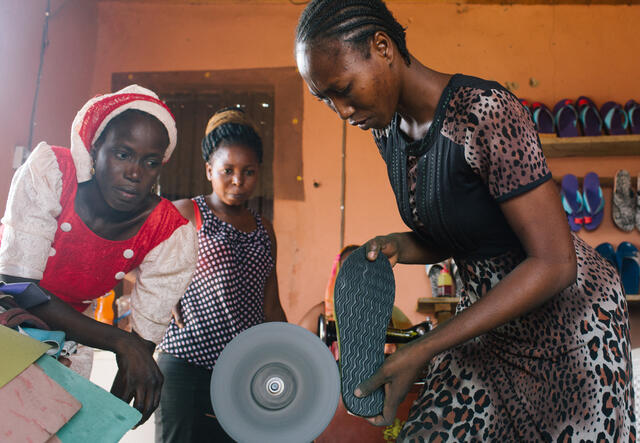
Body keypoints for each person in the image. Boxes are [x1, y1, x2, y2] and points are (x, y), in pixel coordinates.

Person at [294, 1, 635, 441]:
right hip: (487, 322)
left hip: (568, 325)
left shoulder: (486, 112)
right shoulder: (387, 130)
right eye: (326, 99)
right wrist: (403, 244)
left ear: (382, 47)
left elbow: (556, 262)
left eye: (343, 88)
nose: (341, 111)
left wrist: (424, 348)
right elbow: (470, 231)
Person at [0, 85, 198, 425]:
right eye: (123, 154)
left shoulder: (167, 231)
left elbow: (141, 345)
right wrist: (122, 342)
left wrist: (115, 412)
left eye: (150, 162)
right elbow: (16, 284)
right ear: (95, 150)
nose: (135, 173)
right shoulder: (54, 173)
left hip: (70, 343)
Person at [155, 107, 287, 443]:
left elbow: (270, 304)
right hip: (185, 363)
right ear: (209, 170)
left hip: (242, 371)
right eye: (228, 170)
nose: (238, 181)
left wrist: (290, 355)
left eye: (249, 172)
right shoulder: (187, 212)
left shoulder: (264, 229)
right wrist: (163, 291)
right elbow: (132, 256)